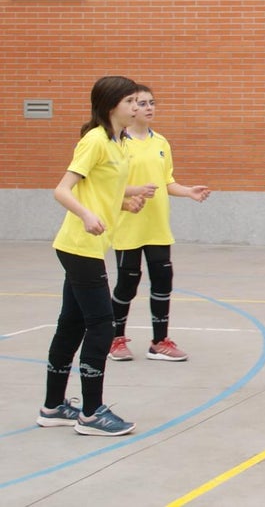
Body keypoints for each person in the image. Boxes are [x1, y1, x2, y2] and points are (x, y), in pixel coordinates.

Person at [38, 75, 149, 436]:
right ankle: (91, 414)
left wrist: (124, 202)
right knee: (102, 324)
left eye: (138, 101)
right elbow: (63, 190)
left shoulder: (118, 142)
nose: (137, 107)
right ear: (111, 105)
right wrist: (86, 215)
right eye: (130, 101)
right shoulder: (95, 140)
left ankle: (53, 407)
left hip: (88, 247)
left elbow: (101, 187)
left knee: (71, 324)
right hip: (79, 245)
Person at [109, 85, 211, 363]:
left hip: (157, 226)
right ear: (130, 107)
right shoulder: (118, 142)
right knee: (127, 284)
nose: (148, 108)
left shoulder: (161, 142)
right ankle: (114, 339)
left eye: (152, 103)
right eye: (142, 103)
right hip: (128, 224)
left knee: (163, 280)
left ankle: (159, 342)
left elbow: (167, 181)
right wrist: (130, 196)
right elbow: (108, 185)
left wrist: (188, 191)